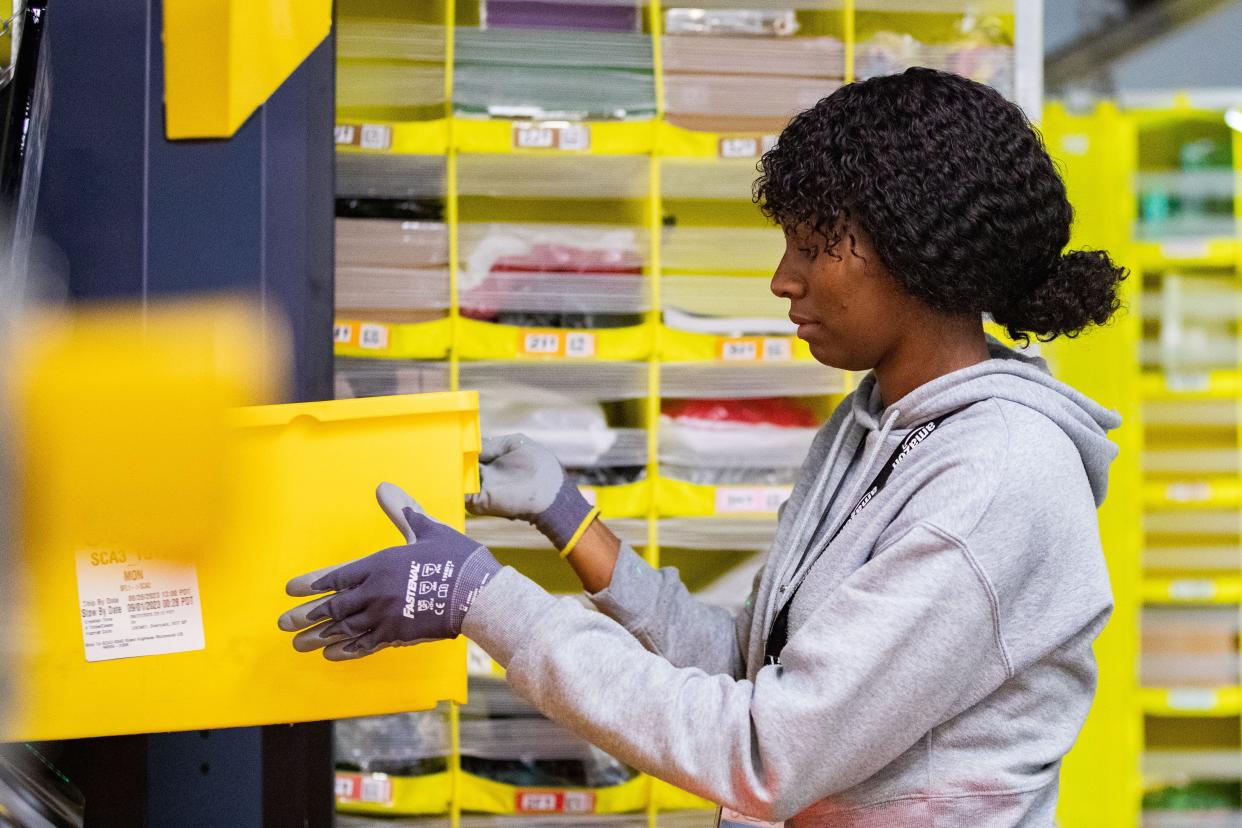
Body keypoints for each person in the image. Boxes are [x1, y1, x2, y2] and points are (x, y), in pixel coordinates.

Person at [278, 68, 1126, 826]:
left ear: (913, 247)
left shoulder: (995, 479)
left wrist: (481, 599)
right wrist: (574, 524)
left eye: (810, 244)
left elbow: (766, 751)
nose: (782, 279)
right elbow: (759, 674)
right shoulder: (874, 424)